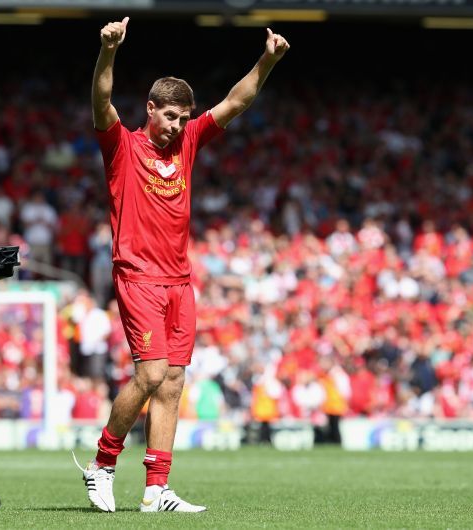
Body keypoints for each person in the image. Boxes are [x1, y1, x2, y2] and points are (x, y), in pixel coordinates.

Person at [76, 17, 289, 513]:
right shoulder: (123, 146)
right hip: (137, 276)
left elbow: (237, 102)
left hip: (179, 281)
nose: (176, 125)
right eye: (169, 115)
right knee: (150, 376)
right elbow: (100, 101)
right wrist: (108, 52)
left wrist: (268, 60)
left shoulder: (189, 141)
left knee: (173, 382)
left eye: (182, 117)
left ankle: (155, 490)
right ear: (150, 109)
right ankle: (102, 464)